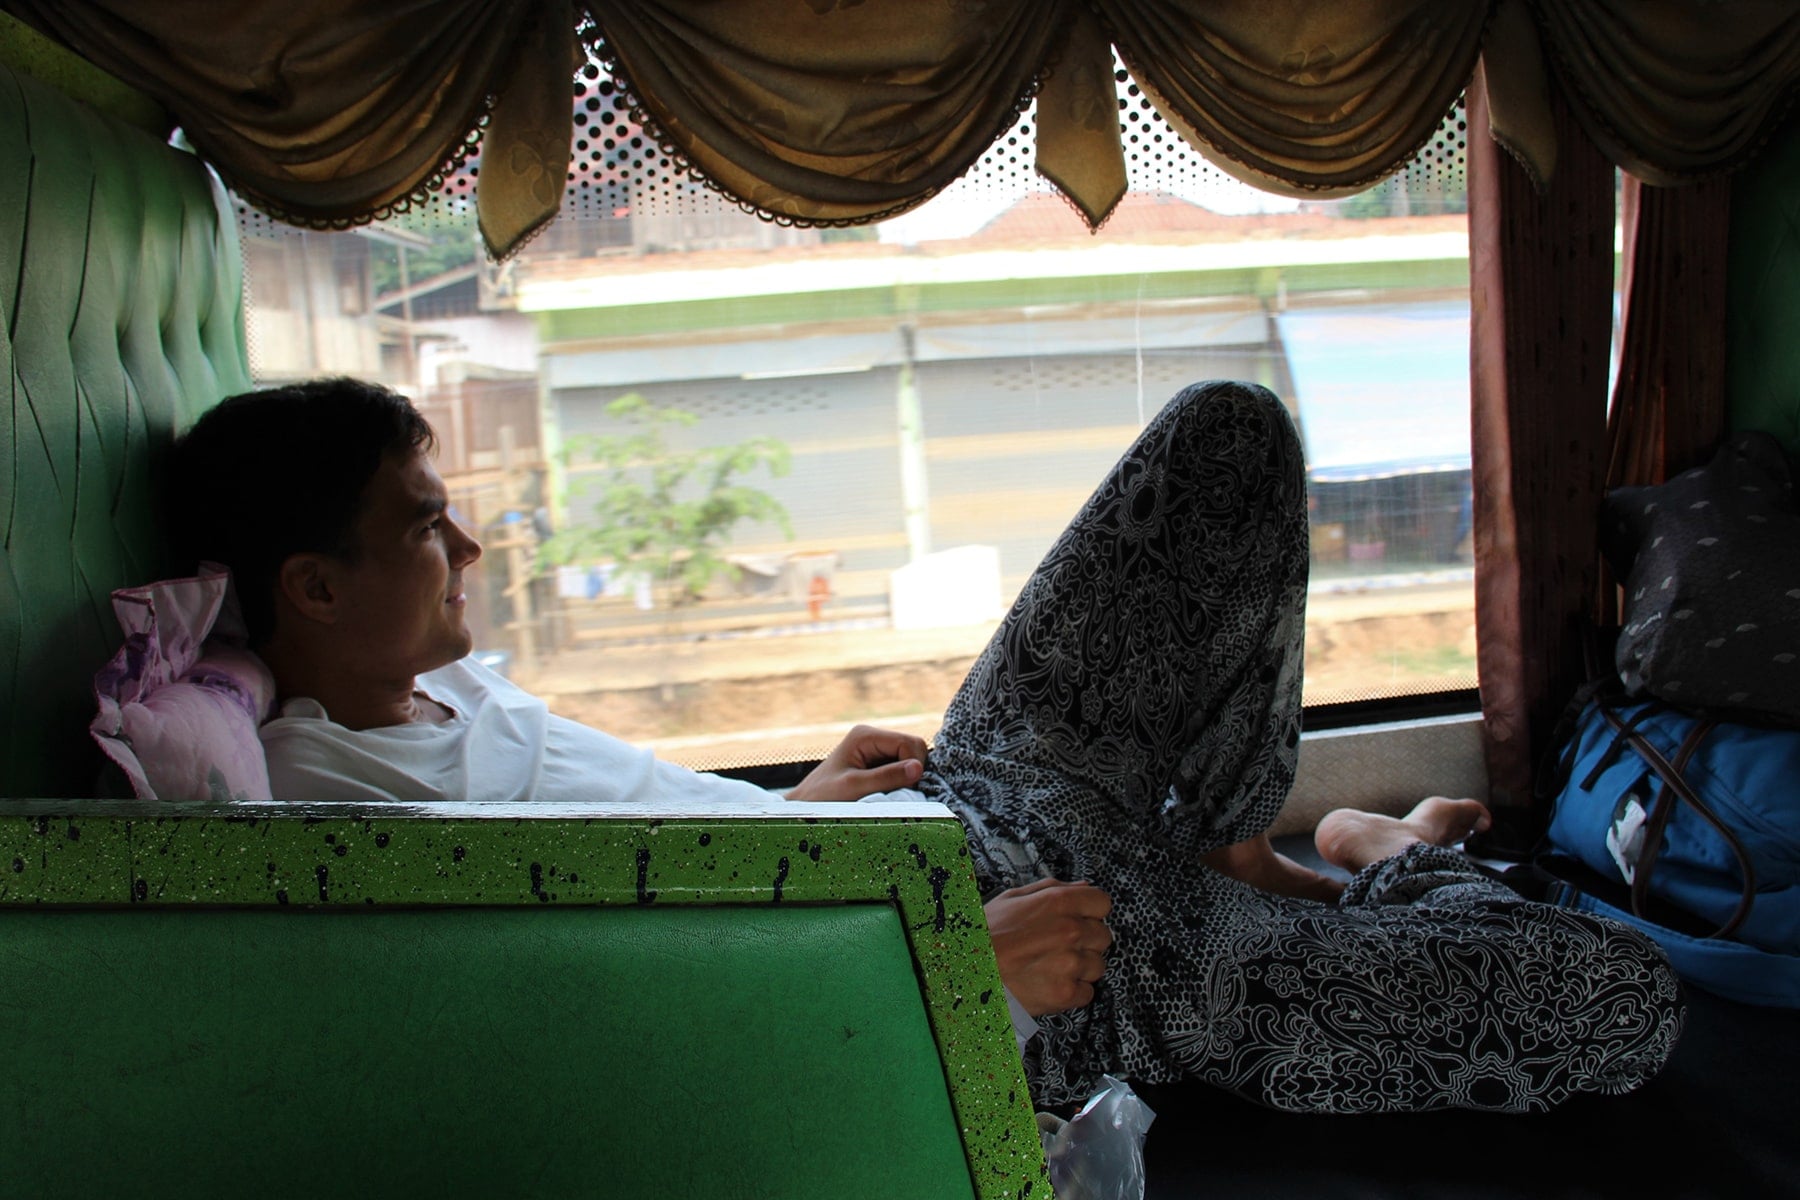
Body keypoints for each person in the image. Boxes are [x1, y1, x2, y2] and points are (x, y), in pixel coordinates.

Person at [167, 377, 1684, 1113]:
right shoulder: (358, 855)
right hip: (1062, 965)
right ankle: (1379, 858)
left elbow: (648, 842)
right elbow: (626, 1055)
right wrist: (964, 978)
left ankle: (1248, 844)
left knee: (1226, 436)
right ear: (310, 588)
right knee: (1617, 1006)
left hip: (973, 794)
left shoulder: (447, 695)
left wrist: (788, 805)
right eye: (427, 528)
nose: (473, 547)